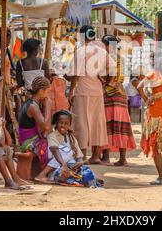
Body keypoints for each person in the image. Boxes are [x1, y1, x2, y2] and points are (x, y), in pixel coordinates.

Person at [69, 25, 112, 165]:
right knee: (97, 122)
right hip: (97, 91)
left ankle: (83, 156)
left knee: (82, 122)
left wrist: (71, 91)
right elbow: (112, 70)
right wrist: (105, 85)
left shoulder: (81, 51)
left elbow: (76, 73)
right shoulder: (102, 51)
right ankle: (95, 156)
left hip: (82, 90)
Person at [137, 51, 162, 185]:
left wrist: (146, 99)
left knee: (155, 145)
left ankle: (161, 177)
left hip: (156, 113)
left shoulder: (152, 75)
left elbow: (138, 86)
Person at [35, 110, 103, 187]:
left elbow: (79, 156)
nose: (63, 125)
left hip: (68, 167)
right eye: (61, 123)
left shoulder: (71, 138)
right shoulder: (52, 136)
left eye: (66, 123)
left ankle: (89, 179)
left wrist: (80, 163)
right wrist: (64, 165)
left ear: (69, 125)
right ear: (56, 123)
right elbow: (55, 151)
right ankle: (41, 175)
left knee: (85, 170)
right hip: (56, 168)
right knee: (67, 152)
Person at [100, 35, 136, 166]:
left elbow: (110, 76)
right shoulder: (120, 58)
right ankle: (122, 158)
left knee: (106, 126)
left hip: (109, 94)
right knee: (121, 126)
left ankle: (106, 157)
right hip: (120, 94)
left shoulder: (108, 58)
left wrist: (103, 84)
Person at [18, 77, 52, 169]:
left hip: (31, 138)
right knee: (54, 148)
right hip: (27, 142)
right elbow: (46, 127)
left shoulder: (34, 103)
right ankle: (43, 174)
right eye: (47, 91)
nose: (48, 95)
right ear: (41, 91)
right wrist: (48, 107)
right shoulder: (32, 106)